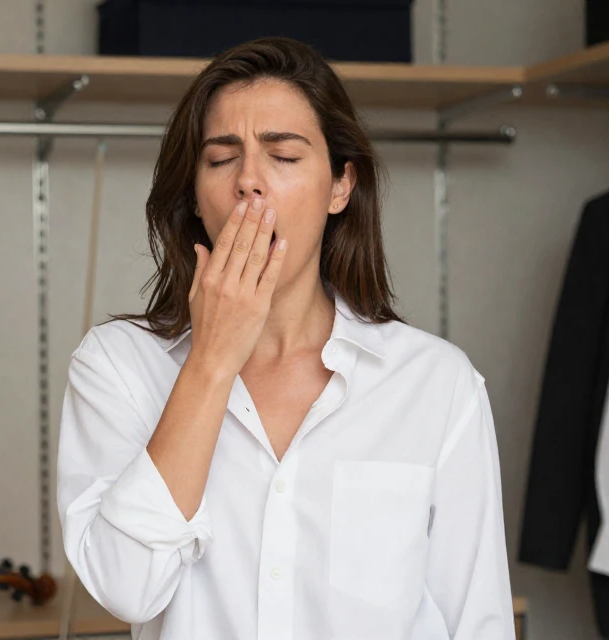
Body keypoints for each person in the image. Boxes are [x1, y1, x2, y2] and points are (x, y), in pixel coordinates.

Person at [56, 37, 513, 640]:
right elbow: (126, 589)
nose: (250, 182)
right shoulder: (117, 365)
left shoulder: (437, 383)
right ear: (195, 195)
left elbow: (477, 622)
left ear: (339, 188)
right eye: (221, 159)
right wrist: (212, 361)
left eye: (285, 157)